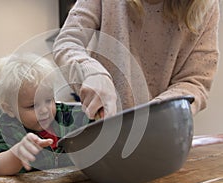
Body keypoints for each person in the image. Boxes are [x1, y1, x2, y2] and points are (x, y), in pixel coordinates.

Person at [53, 0, 220, 118]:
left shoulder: (206, 7)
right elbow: (68, 42)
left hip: (161, 136)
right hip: (103, 130)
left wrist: (155, 113)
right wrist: (91, 72)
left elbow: (194, 82)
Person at [0, 53, 91, 178]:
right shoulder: (7, 128)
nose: (45, 110)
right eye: (32, 106)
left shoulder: (66, 116)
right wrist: (16, 154)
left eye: (49, 100)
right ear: (9, 109)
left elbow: (96, 123)